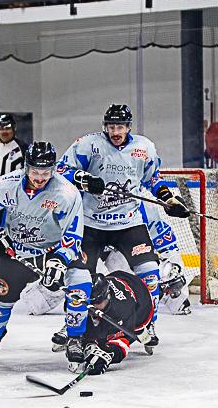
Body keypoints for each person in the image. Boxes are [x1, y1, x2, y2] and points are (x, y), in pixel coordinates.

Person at [56, 104, 190, 350]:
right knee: (79, 277)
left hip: (128, 224)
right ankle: (73, 324)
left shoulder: (144, 148)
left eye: (120, 126)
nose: (115, 131)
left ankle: (147, 324)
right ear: (104, 127)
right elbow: (61, 170)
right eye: (111, 126)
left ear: (129, 127)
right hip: (90, 223)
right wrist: (84, 179)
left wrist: (169, 199)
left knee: (150, 273)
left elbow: (153, 179)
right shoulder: (89, 145)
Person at [0, 142, 91, 368]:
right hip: (17, 251)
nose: (40, 178)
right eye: (35, 172)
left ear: (54, 169)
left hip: (52, 251)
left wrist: (60, 261)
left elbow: (73, 235)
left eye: (45, 172)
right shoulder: (5, 185)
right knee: (1, 296)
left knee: (80, 281)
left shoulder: (67, 194)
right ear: (26, 168)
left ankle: (76, 338)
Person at [102, 196, 193, 315]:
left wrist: (172, 203)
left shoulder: (145, 210)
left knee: (172, 270)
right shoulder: (95, 207)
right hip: (117, 248)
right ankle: (135, 297)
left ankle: (175, 298)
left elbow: (169, 249)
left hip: (142, 238)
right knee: (114, 266)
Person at [0, 113, 29, 287]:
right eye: (1, 128)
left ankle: (17, 270)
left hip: (14, 201)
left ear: (14, 128)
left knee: (14, 235)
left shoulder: (23, 148)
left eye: (8, 127)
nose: (4, 131)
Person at [78, 270, 153, 374]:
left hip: (142, 301)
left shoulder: (122, 308)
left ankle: (146, 331)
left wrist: (107, 355)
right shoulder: (86, 293)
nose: (93, 307)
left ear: (107, 297)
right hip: (118, 277)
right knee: (91, 326)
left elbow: (125, 340)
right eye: (90, 303)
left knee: (135, 331)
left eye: (97, 303)